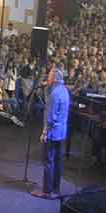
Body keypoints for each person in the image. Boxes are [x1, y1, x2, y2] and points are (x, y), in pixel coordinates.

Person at [32, 67, 71, 200]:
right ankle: (55, 188)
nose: (47, 78)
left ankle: (47, 191)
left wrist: (44, 132)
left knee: (49, 160)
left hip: (53, 131)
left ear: (54, 78)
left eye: (49, 76)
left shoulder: (54, 94)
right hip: (62, 131)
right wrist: (45, 88)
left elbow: (51, 116)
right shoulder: (64, 90)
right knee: (58, 161)